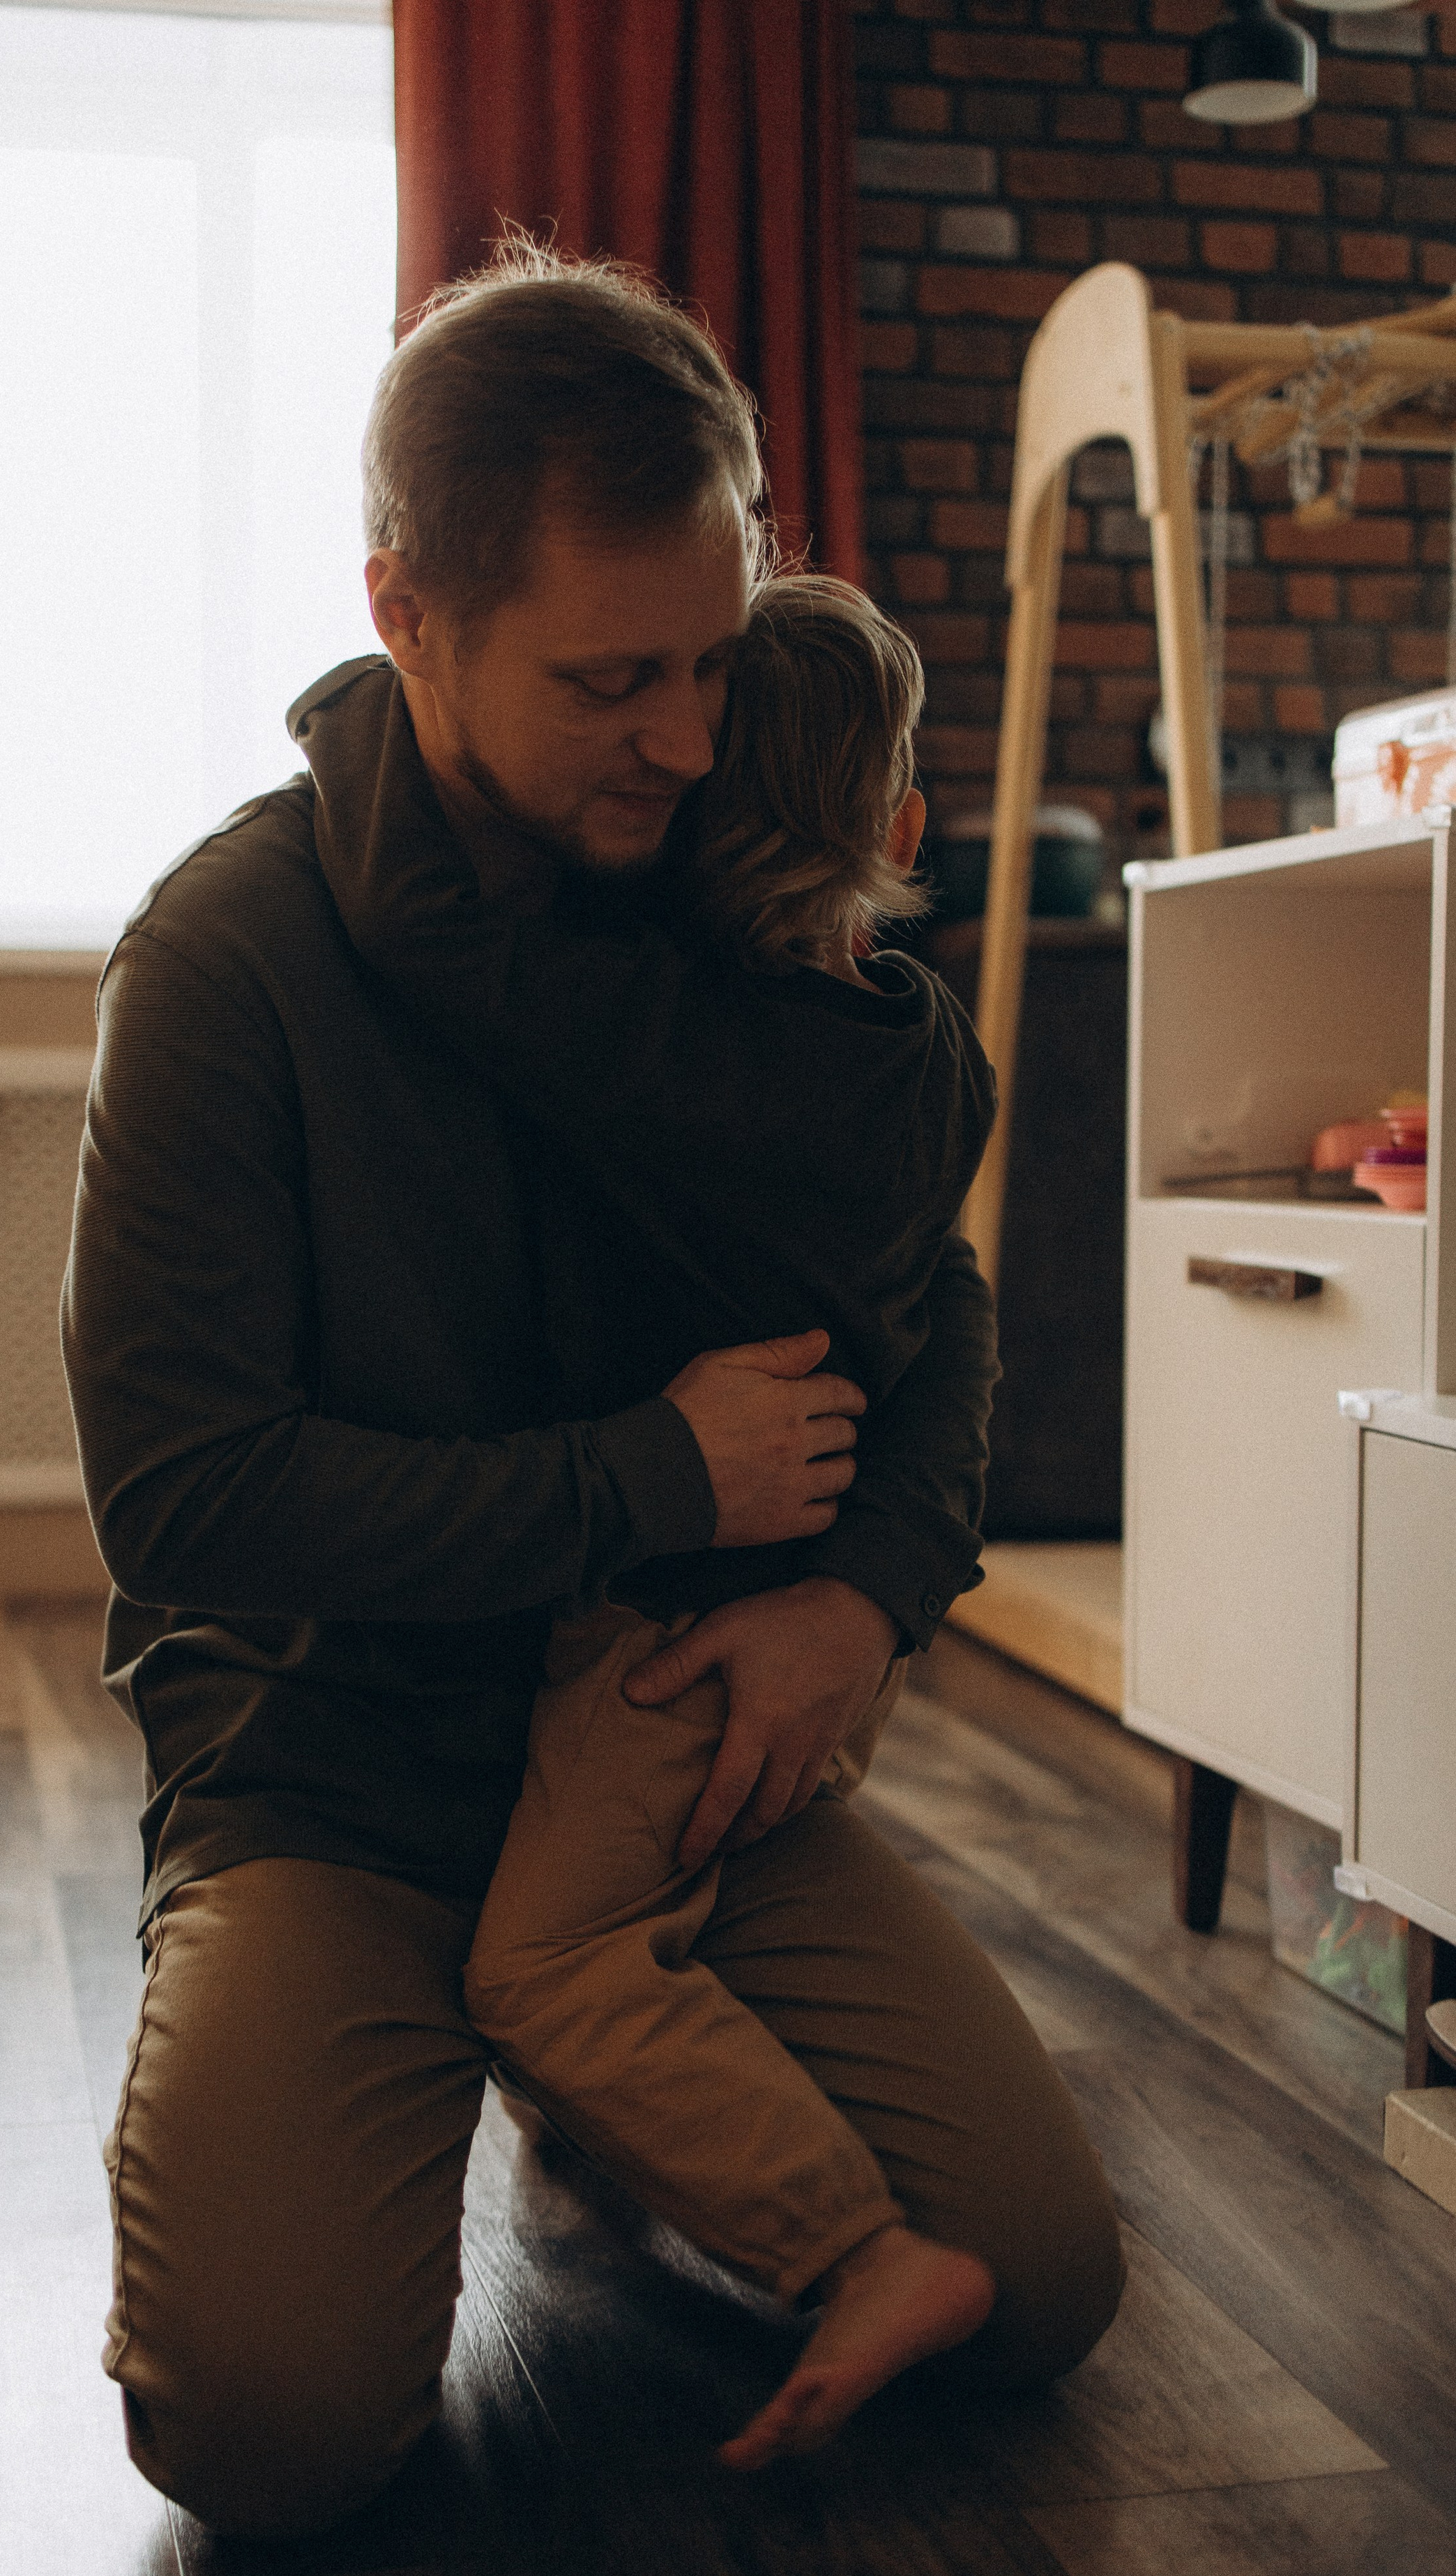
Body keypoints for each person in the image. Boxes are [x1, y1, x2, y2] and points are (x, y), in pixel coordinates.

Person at [63, 243, 1125, 2544]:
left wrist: (862, 1600)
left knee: (1040, 2280)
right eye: (611, 677)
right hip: (339, 1767)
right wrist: (642, 1473)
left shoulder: (721, 891)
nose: (685, 734)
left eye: (720, 661)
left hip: (664, 1750)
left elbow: (930, 1330)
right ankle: (459, 2047)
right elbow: (187, 1502)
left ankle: (591, 2072)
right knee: (259, 2421)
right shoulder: (227, 964)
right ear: (407, 614)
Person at [324, 568, 1007, 2470]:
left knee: (546, 1962)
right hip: (806, 1620)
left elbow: (424, 926)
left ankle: (858, 2246)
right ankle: (617, 2129)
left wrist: (363, 700)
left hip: (682, 1633)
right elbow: (938, 1302)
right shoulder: (933, 1052)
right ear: (902, 825)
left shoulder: (654, 1039)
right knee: (633, 1904)